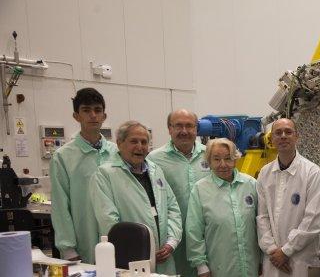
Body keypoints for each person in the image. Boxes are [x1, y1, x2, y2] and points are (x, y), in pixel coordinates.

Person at [90, 121, 182, 275]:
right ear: (119, 143)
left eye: (144, 142)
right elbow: (109, 220)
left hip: (164, 256)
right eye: (134, 141)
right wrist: (144, 250)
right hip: (131, 258)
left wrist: (171, 243)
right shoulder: (105, 175)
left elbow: (173, 208)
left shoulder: (155, 170)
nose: (140, 147)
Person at [50, 87, 119, 263]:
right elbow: (60, 205)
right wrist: (67, 248)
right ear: (76, 116)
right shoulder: (63, 157)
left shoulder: (117, 152)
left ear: (104, 116)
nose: (93, 115)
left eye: (97, 110)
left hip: (118, 237)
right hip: (84, 241)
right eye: (86, 110)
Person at [256, 118, 320, 277]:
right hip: (273, 260)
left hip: (301, 260)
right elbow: (262, 216)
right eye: (278, 133)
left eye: (288, 132)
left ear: (297, 137)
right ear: (272, 139)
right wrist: (273, 250)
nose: (283, 136)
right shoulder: (265, 174)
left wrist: (286, 251)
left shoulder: (312, 173)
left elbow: (313, 220)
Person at [185, 138, 260, 277]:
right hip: (219, 267)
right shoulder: (200, 189)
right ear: (209, 162)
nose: (223, 164)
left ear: (236, 159)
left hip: (251, 266)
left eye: (228, 158)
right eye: (216, 159)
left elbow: (261, 225)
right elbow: (193, 231)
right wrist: (201, 266)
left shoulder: (251, 184)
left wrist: (262, 260)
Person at [148, 109, 209, 277]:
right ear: (169, 129)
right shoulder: (154, 159)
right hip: (173, 239)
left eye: (189, 126)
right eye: (178, 126)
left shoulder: (210, 155)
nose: (184, 131)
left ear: (196, 129)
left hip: (207, 235)